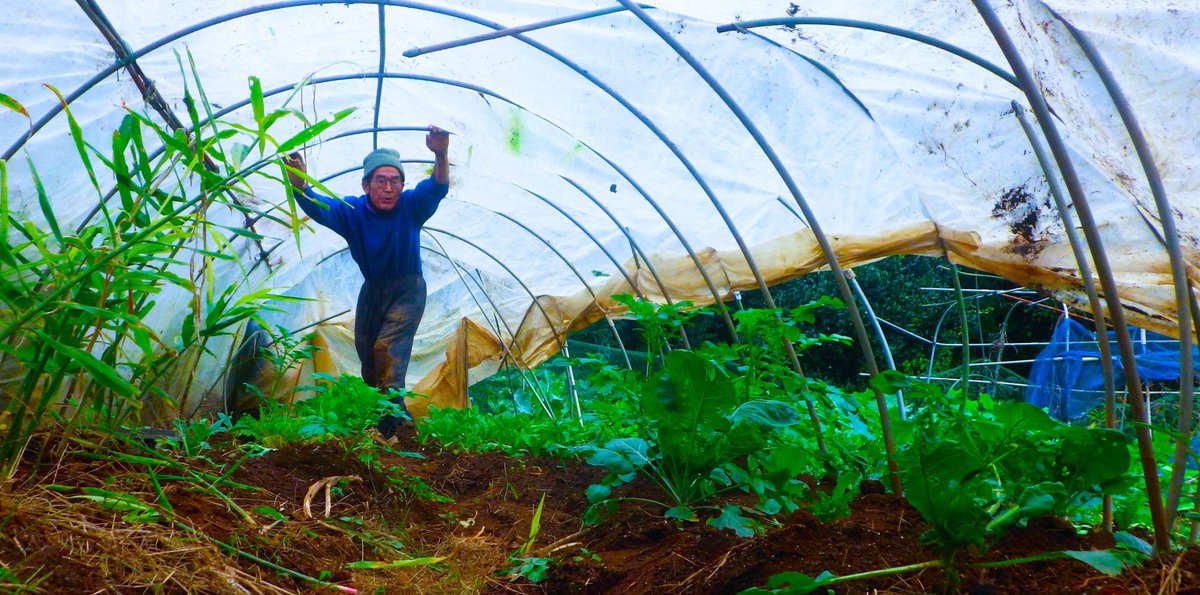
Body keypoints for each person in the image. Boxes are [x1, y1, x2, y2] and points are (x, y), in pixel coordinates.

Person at [283, 127, 450, 437]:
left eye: (395, 181)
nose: (388, 188)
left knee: (388, 348)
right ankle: (397, 415)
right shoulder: (353, 212)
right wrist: (300, 186)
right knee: (369, 359)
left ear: (402, 185)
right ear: (366, 184)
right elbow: (319, 207)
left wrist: (440, 154)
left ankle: (388, 428)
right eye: (380, 181)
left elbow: (437, 188)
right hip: (373, 290)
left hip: (408, 288)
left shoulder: (411, 207)